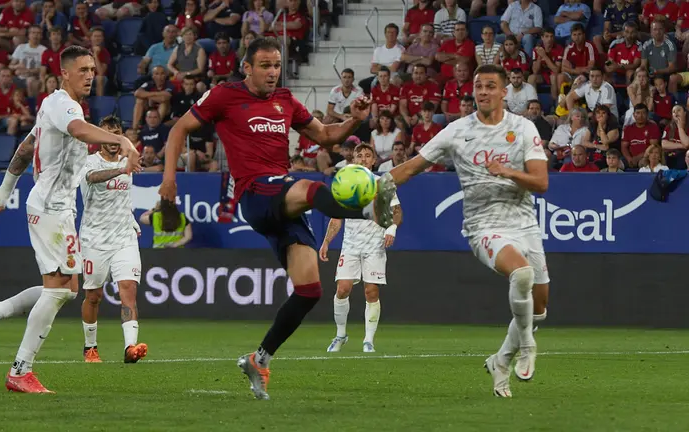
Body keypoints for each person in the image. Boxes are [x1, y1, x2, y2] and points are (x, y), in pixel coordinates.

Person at [158, 37, 396, 400]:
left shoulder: (285, 101)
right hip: (256, 193)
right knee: (308, 186)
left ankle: (260, 359)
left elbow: (328, 137)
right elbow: (179, 129)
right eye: (265, 66)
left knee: (310, 290)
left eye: (277, 65)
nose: (273, 72)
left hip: (281, 202)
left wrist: (355, 120)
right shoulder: (224, 95)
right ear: (247, 68)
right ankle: (366, 210)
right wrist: (169, 178)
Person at [0, 45, 141, 393]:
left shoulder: (49, 104)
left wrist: (3, 191)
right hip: (52, 209)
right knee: (60, 292)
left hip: (54, 208)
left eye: (93, 68)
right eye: (83, 69)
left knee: (66, 289)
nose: (90, 75)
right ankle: (20, 370)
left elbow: (27, 147)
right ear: (65, 73)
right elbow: (80, 130)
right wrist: (121, 139)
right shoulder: (64, 106)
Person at [382, 64, 549, 398]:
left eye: (490, 85)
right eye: (478, 86)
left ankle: (500, 360)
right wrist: (375, 186)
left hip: (525, 223)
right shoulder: (457, 131)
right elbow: (413, 166)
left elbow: (541, 183)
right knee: (522, 275)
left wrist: (508, 172)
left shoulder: (523, 127)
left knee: (540, 308)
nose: (483, 91)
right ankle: (528, 346)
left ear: (505, 92)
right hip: (483, 225)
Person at [320, 144, 402, 353]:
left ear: (374, 160)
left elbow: (397, 211)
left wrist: (391, 228)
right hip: (351, 246)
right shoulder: (346, 183)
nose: (364, 159)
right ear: (353, 160)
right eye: (360, 156)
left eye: (368, 156)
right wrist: (326, 242)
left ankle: (368, 340)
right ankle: (340, 335)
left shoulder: (383, 183)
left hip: (375, 245)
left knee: (371, 291)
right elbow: (336, 218)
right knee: (342, 289)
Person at [79, 115, 146, 364]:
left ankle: (130, 347)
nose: (114, 139)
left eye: (118, 133)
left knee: (128, 289)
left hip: (124, 237)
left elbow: (124, 199)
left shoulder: (128, 160)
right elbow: (91, 178)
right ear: (99, 138)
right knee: (93, 296)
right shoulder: (88, 162)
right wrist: (121, 169)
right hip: (94, 238)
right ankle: (90, 347)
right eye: (109, 134)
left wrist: (131, 219)